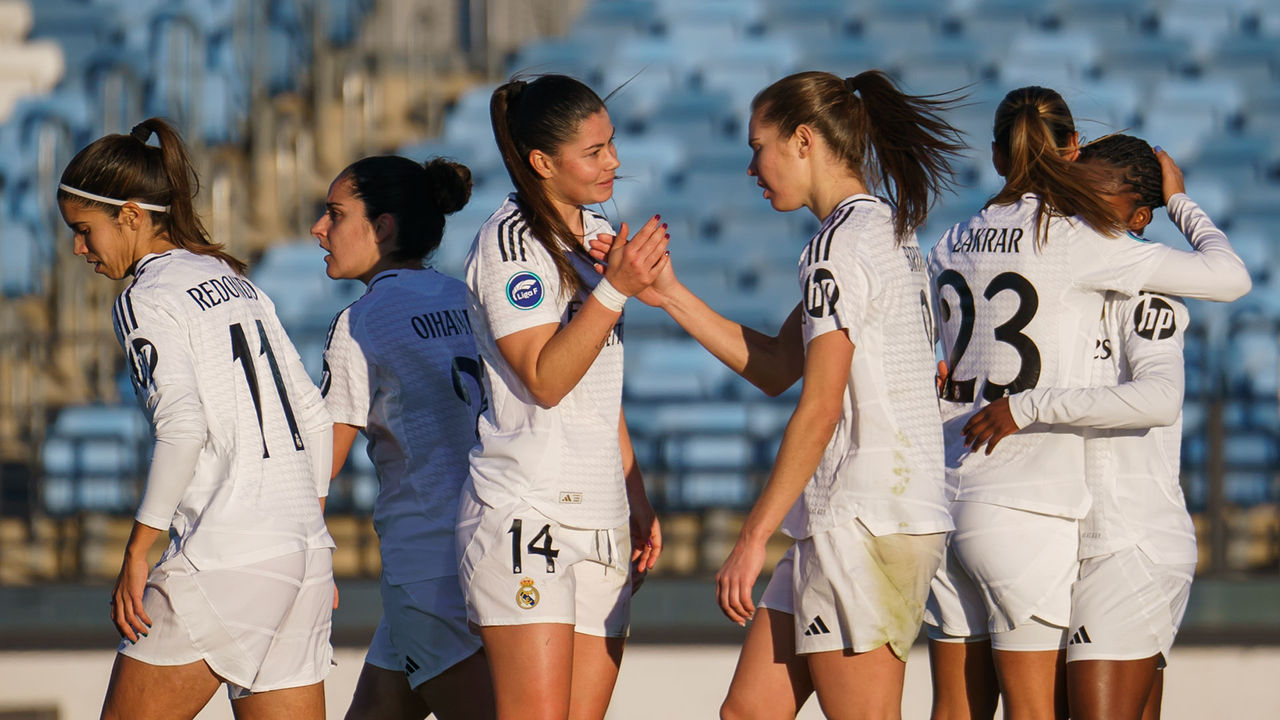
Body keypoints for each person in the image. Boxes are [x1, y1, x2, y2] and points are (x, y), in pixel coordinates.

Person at [596, 68, 967, 719]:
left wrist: (751, 538)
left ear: (802, 140)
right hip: (863, 515)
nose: (750, 166)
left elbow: (820, 405)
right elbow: (774, 365)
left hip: (864, 521)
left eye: (756, 145)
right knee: (747, 712)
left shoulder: (835, 247)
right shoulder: (884, 231)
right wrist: (671, 296)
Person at [924, 88, 1250, 720]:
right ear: (1068, 153)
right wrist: (1180, 200)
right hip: (1030, 508)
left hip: (967, 498)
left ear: (996, 154)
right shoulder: (1086, 248)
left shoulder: (949, 242)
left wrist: (1012, 400)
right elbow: (1230, 277)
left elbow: (1156, 397)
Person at [58, 118, 335, 720]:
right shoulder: (232, 278)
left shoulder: (146, 296)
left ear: (131, 215)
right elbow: (313, 415)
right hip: (303, 556)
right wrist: (305, 539)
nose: (79, 250)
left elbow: (182, 426)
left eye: (84, 231)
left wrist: (137, 550)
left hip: (226, 555)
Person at [962, 134, 1201, 720]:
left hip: (1130, 541)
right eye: (1073, 191)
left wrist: (1031, 405)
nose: (1076, 206)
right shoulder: (1066, 276)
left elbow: (1160, 398)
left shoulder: (1147, 291)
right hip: (1079, 541)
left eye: (1095, 195)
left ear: (1140, 216)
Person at [459, 73, 667, 720]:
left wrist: (633, 493)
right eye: (595, 151)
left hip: (599, 511)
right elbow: (545, 379)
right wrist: (615, 291)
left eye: (611, 144)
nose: (615, 162)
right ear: (543, 163)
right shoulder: (511, 242)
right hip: (528, 509)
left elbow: (596, 385)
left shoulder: (596, 230)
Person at [313, 155, 496, 720]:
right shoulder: (471, 299)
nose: (319, 229)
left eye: (335, 214)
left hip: (427, 568)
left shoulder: (363, 321)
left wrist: (306, 563)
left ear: (383, 228)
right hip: (490, 549)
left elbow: (323, 462)